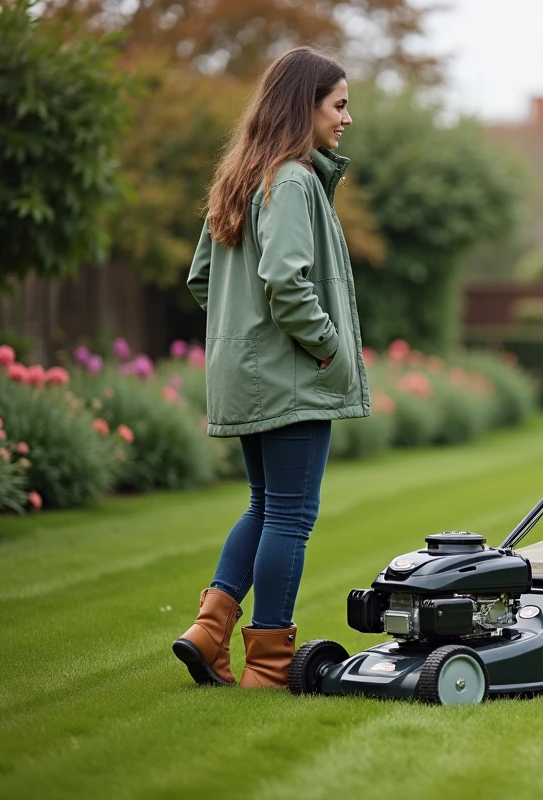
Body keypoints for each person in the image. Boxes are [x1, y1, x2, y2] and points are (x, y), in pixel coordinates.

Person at [172, 45, 369, 689]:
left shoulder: (243, 176)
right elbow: (286, 282)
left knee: (265, 505)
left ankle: (209, 630)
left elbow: (204, 279)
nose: (347, 119)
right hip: (291, 377)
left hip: (253, 374)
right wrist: (325, 347)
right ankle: (269, 665)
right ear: (303, 106)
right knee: (290, 515)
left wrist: (248, 338)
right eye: (338, 105)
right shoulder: (291, 180)